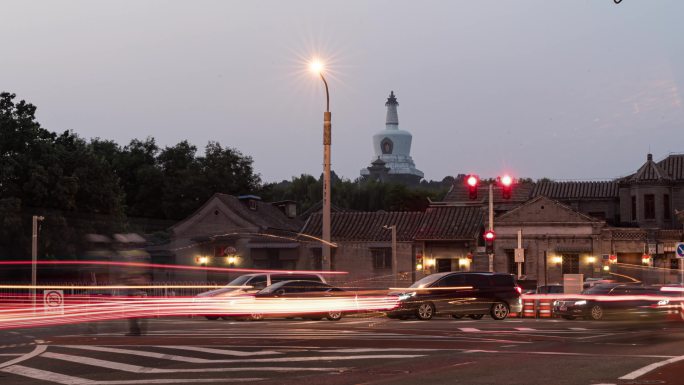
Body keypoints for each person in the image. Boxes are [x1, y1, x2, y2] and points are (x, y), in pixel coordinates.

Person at [113, 233, 151, 336]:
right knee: (143, 306)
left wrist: (120, 279)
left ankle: (134, 329)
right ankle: (143, 326)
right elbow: (148, 268)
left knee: (131, 307)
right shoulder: (145, 254)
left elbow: (122, 269)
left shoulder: (127, 255)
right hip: (143, 282)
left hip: (130, 282)